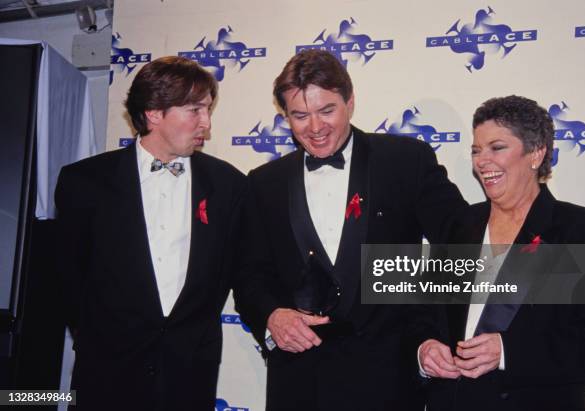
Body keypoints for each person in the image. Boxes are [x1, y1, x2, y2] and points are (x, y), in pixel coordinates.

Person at [233, 49, 466, 411]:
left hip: (388, 380)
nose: (314, 127)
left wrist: (431, 333)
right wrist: (271, 316)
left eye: (327, 110)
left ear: (350, 101)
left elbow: (460, 246)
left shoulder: (405, 161)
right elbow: (249, 275)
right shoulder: (264, 183)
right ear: (285, 117)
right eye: (299, 115)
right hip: (298, 384)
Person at [55, 56, 246, 411]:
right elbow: (67, 276)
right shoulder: (83, 182)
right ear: (155, 113)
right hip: (105, 376)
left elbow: (240, 271)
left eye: (208, 110)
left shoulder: (229, 185)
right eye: (195, 110)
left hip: (189, 377)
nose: (207, 122)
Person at [420, 95, 585, 411]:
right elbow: (427, 315)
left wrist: (508, 352)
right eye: (476, 150)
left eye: (497, 148)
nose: (482, 161)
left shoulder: (583, 232)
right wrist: (425, 348)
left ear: (536, 153)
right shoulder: (460, 226)